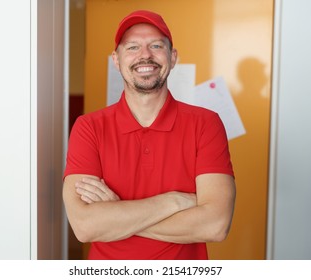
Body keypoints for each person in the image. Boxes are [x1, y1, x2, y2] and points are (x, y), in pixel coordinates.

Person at [63, 10, 236, 260]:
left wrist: (115, 214)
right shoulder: (89, 127)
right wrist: (173, 202)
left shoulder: (206, 124)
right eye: (132, 47)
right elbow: (85, 226)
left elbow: (215, 225)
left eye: (156, 45)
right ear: (116, 59)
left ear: (172, 57)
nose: (145, 55)